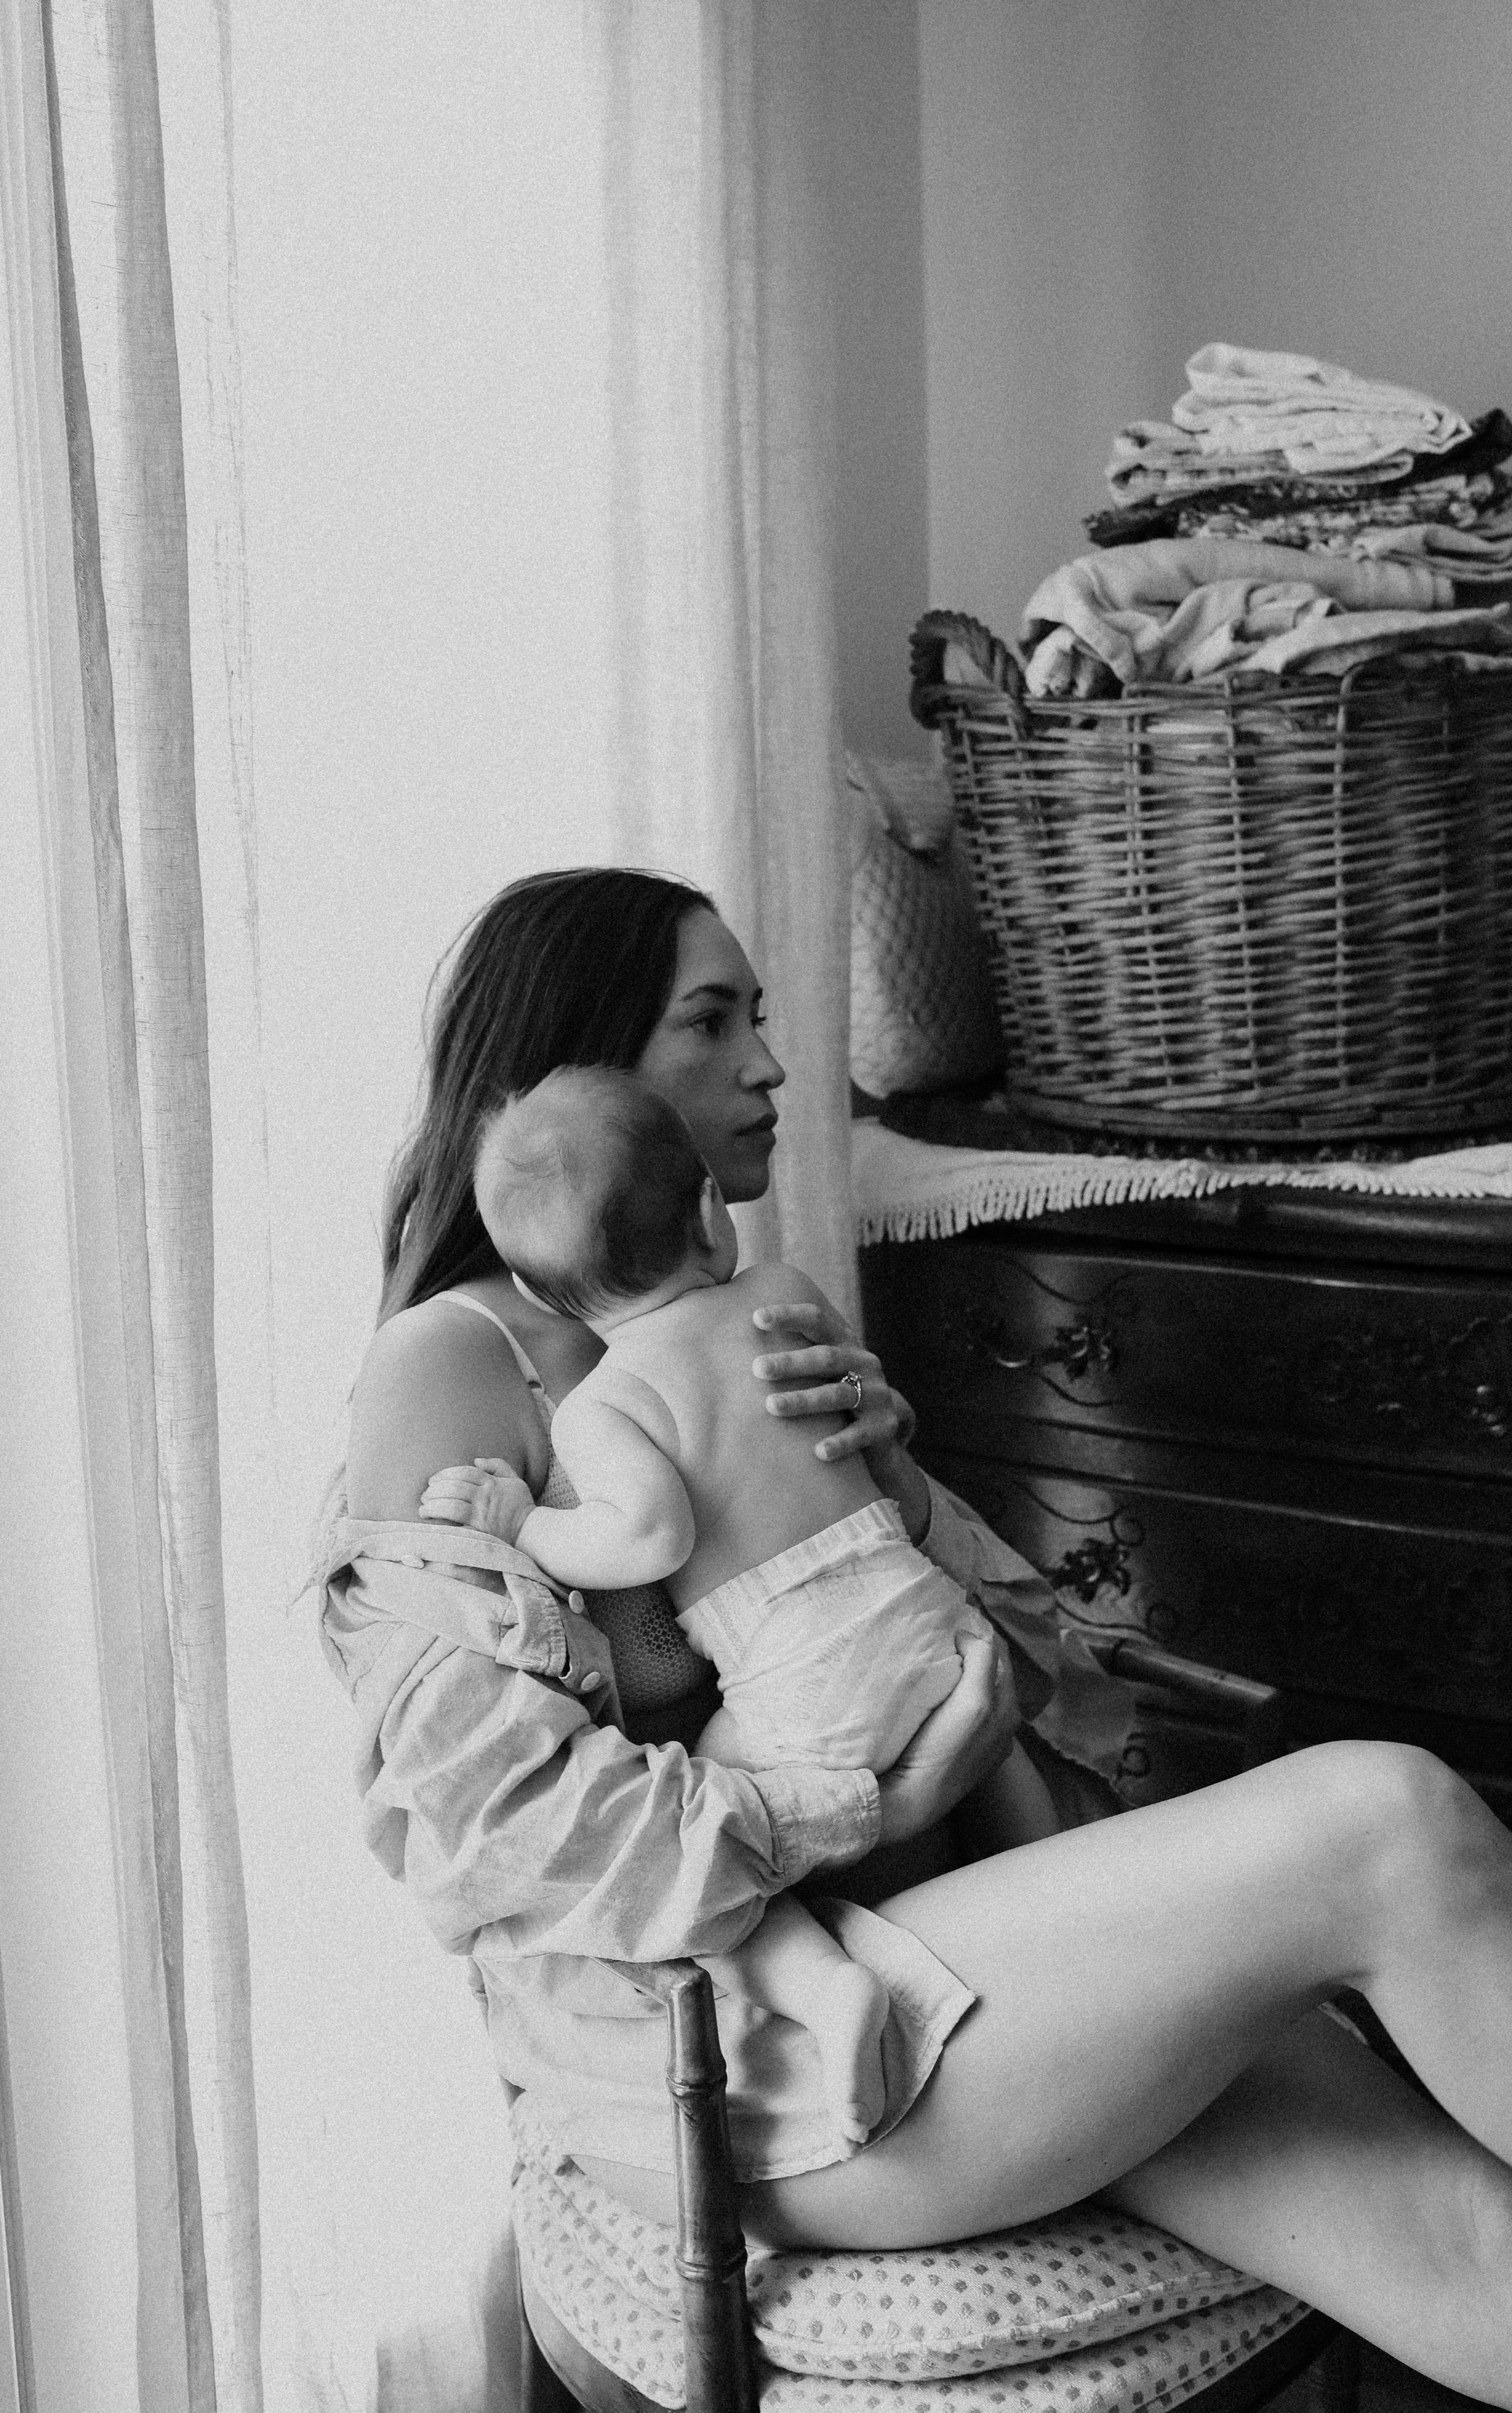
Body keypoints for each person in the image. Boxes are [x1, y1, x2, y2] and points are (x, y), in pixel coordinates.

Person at [322, 867, 1512, 2403]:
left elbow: (993, 1674)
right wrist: (853, 1808)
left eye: (759, 1017)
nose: (768, 1066)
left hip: (986, 1939)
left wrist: (889, 1478)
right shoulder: (455, 1365)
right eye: (713, 1020)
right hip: (759, 2048)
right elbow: (495, 1828)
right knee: (1389, 1817)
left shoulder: (744, 1315)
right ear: (574, 1069)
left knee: (1473, 2253)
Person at [414, 1064, 1059, 2148]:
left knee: (715, 1849)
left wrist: (520, 1524)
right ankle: (1055, 1909)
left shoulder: (602, 1403)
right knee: (994, 1744)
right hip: (920, 1610)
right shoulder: (787, 1293)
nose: (757, 1058)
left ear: (546, 1294)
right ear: (712, 1213)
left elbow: (648, 1535)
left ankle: (826, 1989)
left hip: (802, 1674)